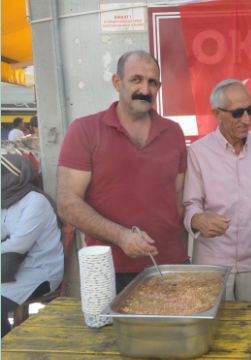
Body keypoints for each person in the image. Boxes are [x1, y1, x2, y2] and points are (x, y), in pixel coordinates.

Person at [57, 50, 189, 294]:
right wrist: (120, 236)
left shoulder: (174, 132)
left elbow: (180, 201)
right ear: (117, 82)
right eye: (136, 79)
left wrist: (185, 255)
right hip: (108, 270)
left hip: (171, 266)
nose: (145, 90)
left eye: (152, 82)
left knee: (172, 333)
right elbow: (67, 202)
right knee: (112, 334)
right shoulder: (85, 130)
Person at [183, 79, 251, 301]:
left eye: (250, 110)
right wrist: (197, 220)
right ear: (217, 114)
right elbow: (191, 204)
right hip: (213, 262)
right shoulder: (198, 153)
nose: (246, 119)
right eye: (237, 113)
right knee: (214, 330)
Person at [1, 154, 63, 338]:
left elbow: (18, 245)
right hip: (11, 268)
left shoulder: (35, 202)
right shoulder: (5, 200)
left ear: (15, 177)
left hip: (40, 271)